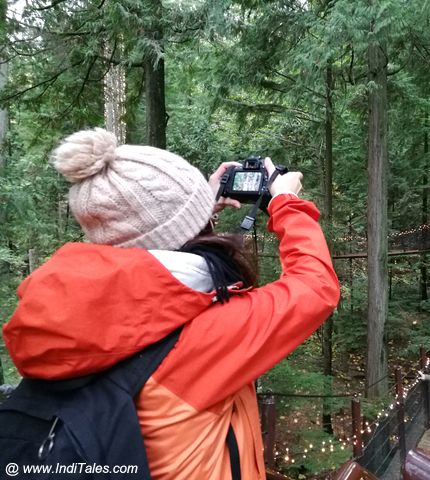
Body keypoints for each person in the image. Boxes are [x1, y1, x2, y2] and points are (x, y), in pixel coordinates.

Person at [2, 128, 340, 479]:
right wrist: (286, 203)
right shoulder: (202, 340)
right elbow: (314, 286)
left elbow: (145, 252)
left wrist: (195, 212)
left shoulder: (65, 316)